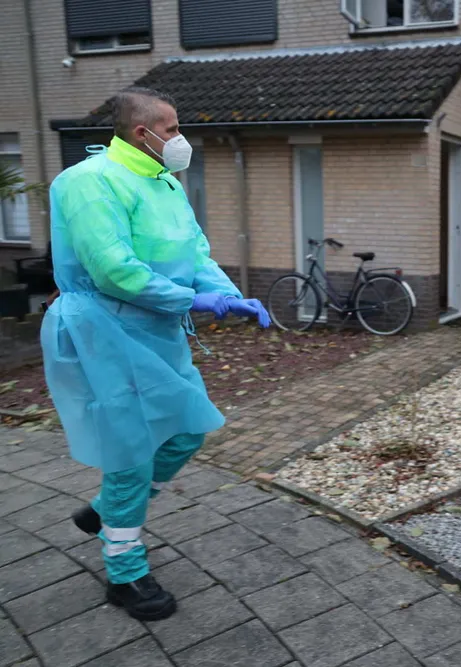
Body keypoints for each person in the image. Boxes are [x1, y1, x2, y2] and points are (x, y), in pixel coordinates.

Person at [41, 87, 270, 621]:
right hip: (104, 332)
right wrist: (194, 300)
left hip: (157, 331)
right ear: (142, 132)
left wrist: (228, 295)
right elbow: (113, 271)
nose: (180, 138)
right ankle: (124, 573)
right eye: (172, 129)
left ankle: (107, 512)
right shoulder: (89, 182)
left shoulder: (163, 180)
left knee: (186, 431)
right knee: (131, 452)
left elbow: (195, 253)